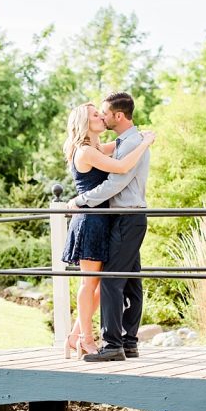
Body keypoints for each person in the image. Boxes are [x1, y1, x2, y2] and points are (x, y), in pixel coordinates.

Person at [60, 101, 155, 359]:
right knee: (89, 284)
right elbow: (123, 166)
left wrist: (139, 138)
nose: (101, 117)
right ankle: (86, 339)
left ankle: (74, 335)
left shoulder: (98, 147)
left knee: (102, 286)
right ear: (84, 122)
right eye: (95, 115)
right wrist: (146, 143)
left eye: (102, 113)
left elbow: (124, 145)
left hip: (105, 220)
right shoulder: (86, 152)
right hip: (91, 221)